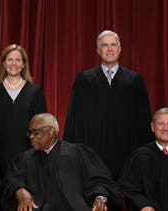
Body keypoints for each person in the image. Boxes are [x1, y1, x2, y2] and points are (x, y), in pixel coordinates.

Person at [64, 30, 152, 177]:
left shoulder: (135, 81)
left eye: (113, 45)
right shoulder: (85, 80)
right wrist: (71, 152)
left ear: (120, 49)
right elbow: (74, 118)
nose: (110, 49)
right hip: (93, 152)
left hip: (126, 151)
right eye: (105, 45)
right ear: (98, 51)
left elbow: (143, 120)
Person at [3, 113, 118, 211]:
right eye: (30, 133)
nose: (31, 137)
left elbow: (99, 179)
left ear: (51, 131)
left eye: (36, 132)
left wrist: (100, 198)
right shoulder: (24, 159)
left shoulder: (78, 153)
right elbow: (12, 179)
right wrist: (19, 189)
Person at [0, 44, 48, 175]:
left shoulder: (35, 92)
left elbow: (42, 127)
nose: (14, 63)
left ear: (23, 64)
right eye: (10, 60)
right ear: (4, 64)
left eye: (18, 60)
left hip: (28, 156)